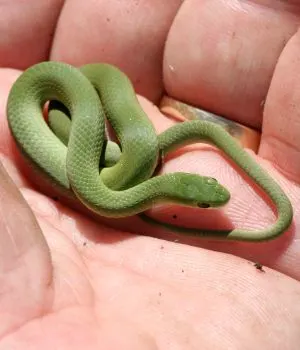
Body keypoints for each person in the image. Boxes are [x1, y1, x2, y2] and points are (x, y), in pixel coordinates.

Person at [0, 1, 299, 348]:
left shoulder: (112, 180)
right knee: (114, 144)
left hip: (89, 114)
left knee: (106, 143)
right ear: (174, 197)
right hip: (69, 103)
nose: (210, 202)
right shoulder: (116, 175)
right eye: (203, 203)